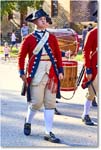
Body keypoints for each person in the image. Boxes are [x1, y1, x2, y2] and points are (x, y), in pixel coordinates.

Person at [18, 9, 64, 143]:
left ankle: (48, 132)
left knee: (50, 103)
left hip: (52, 75)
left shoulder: (52, 37)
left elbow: (57, 55)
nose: (44, 20)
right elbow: (21, 57)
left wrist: (60, 70)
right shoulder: (29, 39)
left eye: (45, 18)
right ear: (35, 23)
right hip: (36, 74)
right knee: (36, 103)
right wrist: (21, 72)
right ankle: (28, 121)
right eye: (41, 19)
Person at [81, 10, 98, 125]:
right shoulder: (92, 33)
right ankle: (85, 114)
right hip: (95, 67)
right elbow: (86, 52)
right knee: (91, 93)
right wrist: (88, 69)